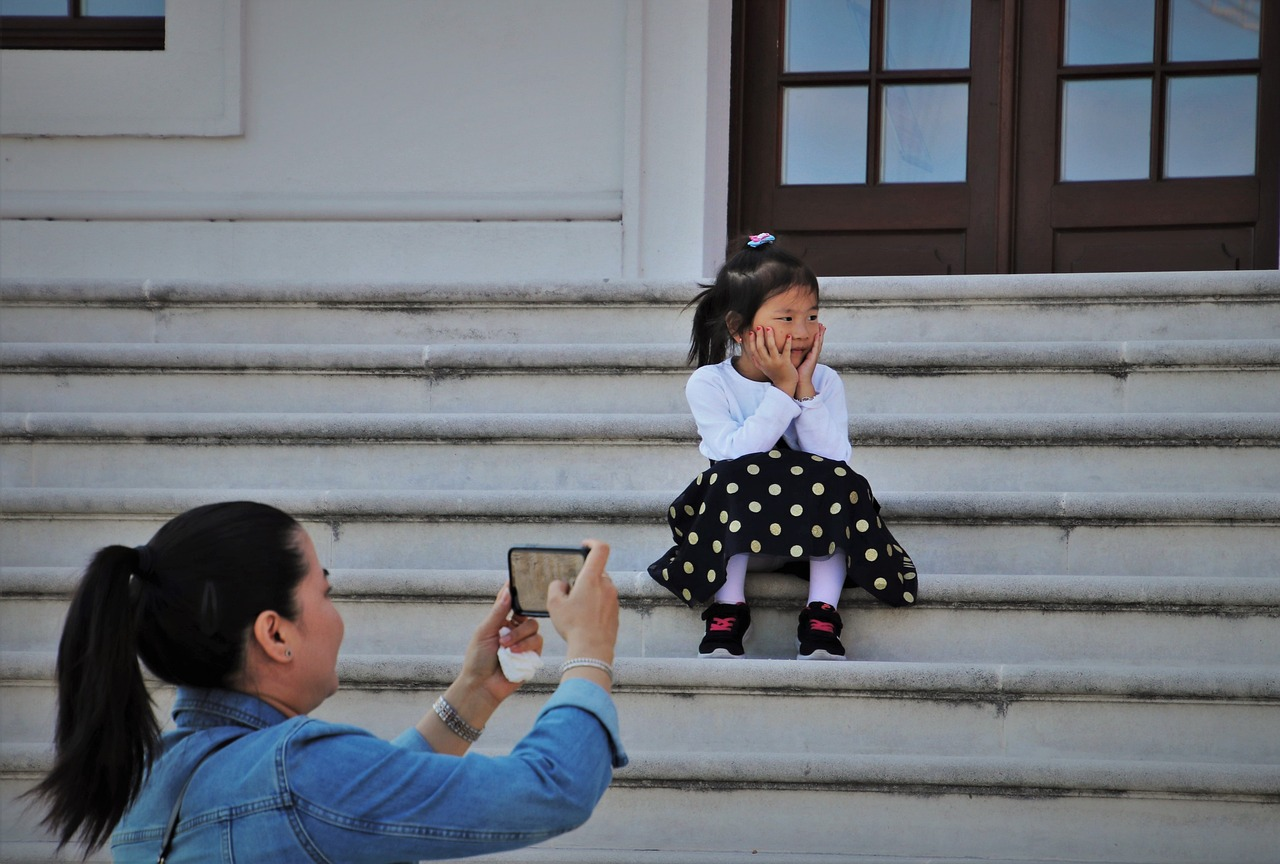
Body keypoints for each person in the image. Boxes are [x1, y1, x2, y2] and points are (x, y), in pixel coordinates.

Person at [27, 501, 626, 862]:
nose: (336, 614)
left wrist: (474, 691)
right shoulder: (300, 772)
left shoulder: (153, 775)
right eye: (324, 592)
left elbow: (352, 808)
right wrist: (591, 652)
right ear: (275, 634)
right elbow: (553, 790)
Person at [648, 233, 918, 660]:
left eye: (812, 316)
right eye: (787, 318)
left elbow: (834, 458)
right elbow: (735, 454)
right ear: (739, 327)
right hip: (735, 539)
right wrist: (782, 389)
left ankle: (821, 612)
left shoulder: (824, 381)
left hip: (809, 535)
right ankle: (728, 607)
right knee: (730, 477)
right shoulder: (711, 382)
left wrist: (804, 388)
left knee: (837, 480)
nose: (804, 331)